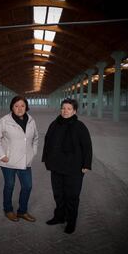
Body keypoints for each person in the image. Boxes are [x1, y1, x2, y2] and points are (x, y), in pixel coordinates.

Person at [42, 98, 92, 234]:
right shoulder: (54, 124)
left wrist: (86, 164)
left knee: (72, 196)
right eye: (63, 108)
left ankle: (71, 221)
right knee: (58, 194)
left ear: (74, 111)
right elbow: (48, 141)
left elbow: (87, 146)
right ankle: (59, 217)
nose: (65, 111)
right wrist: (46, 159)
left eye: (69, 109)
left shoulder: (80, 126)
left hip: (74, 167)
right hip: (57, 166)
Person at [0, 96, 39, 223]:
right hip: (8, 161)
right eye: (16, 106)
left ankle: (22, 211)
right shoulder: (4, 121)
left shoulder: (31, 120)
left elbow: (35, 138)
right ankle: (8, 210)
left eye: (22, 106)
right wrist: (2, 155)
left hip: (25, 161)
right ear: (12, 107)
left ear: (26, 107)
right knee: (10, 185)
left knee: (27, 186)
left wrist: (33, 152)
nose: (19, 108)